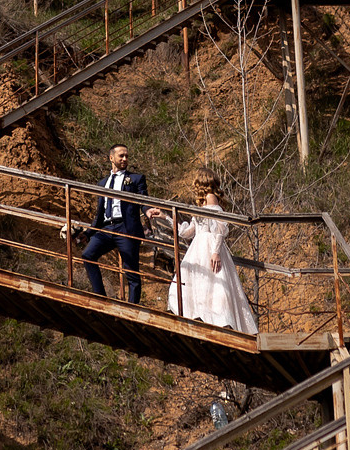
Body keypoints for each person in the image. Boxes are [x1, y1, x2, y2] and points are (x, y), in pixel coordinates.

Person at [150, 178, 257, 337]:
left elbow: (220, 226)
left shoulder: (210, 197)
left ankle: (219, 321)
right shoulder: (202, 203)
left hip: (208, 245)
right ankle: (199, 317)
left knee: (214, 285)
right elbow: (186, 232)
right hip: (198, 246)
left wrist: (215, 251)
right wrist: (166, 217)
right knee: (196, 283)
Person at [78, 143, 146, 304]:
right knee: (88, 255)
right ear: (111, 158)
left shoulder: (136, 179)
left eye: (127, 156)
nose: (124, 159)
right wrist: (88, 233)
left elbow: (144, 199)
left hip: (126, 228)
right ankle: (100, 298)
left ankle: (132, 308)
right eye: (121, 155)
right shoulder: (102, 183)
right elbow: (100, 214)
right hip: (107, 228)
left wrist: (148, 210)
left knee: (131, 272)